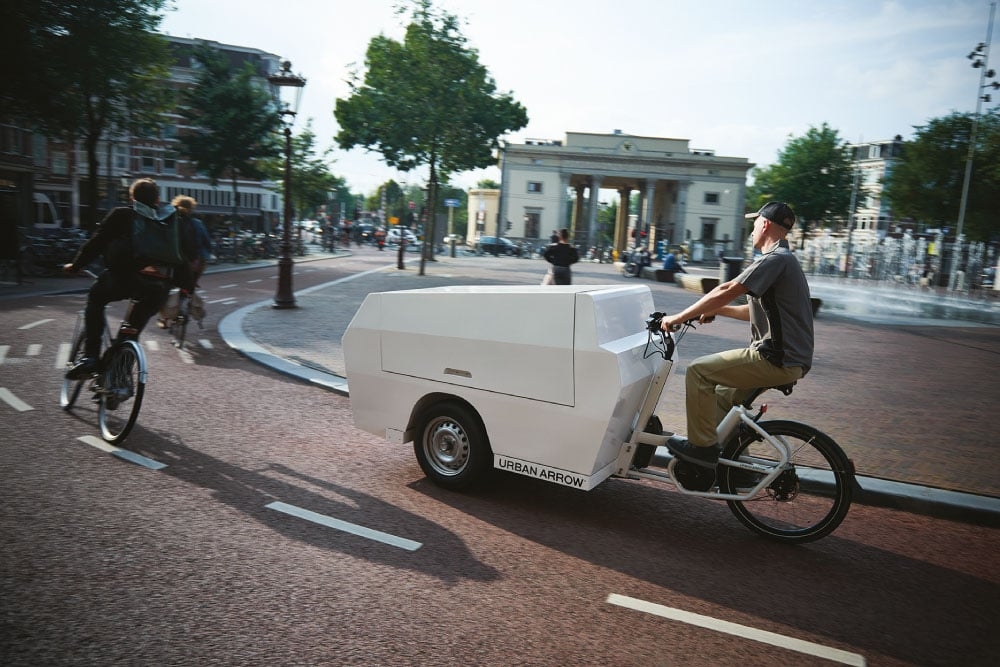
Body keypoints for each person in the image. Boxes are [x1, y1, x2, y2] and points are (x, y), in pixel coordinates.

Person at [657, 202, 813, 469]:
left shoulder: (774, 259)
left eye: (754, 224)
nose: (751, 231)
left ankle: (701, 448)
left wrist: (678, 317)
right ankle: (737, 466)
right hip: (790, 359)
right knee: (722, 396)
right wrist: (718, 310)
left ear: (765, 224)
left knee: (698, 372)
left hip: (775, 358)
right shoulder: (785, 260)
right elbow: (754, 312)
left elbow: (727, 289)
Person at [63, 178, 193, 380]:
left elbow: (96, 243)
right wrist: (186, 289)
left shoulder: (121, 215)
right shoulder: (172, 222)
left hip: (124, 278)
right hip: (159, 287)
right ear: (157, 200)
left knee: (96, 298)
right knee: (132, 330)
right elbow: (184, 257)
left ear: (132, 198)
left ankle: (90, 358)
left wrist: (75, 265)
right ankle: (118, 377)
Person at [171, 195, 212, 286]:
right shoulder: (197, 223)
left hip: (173, 257)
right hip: (192, 258)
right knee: (204, 255)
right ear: (191, 209)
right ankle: (194, 281)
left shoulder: (171, 222)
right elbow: (207, 242)